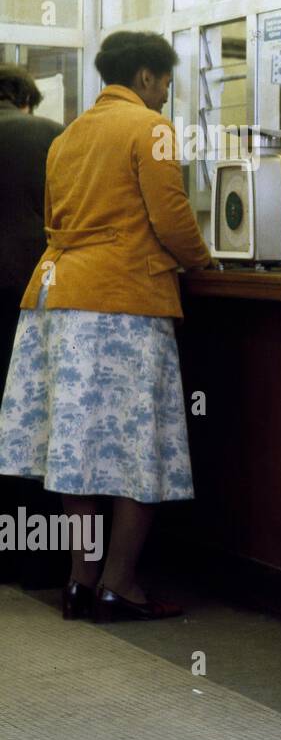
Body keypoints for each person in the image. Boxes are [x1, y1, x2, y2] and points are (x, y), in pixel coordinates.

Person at [0, 32, 212, 621]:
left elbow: (54, 218)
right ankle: (120, 585)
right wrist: (202, 260)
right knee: (137, 447)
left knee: (79, 447)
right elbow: (171, 216)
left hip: (59, 300)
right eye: (166, 82)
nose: (167, 95)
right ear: (145, 77)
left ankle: (78, 581)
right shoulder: (150, 128)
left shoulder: (67, 136)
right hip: (125, 303)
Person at [0, 65, 62, 572]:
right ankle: (32, 555)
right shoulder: (46, 133)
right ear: (26, 100)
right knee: (27, 424)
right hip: (30, 294)